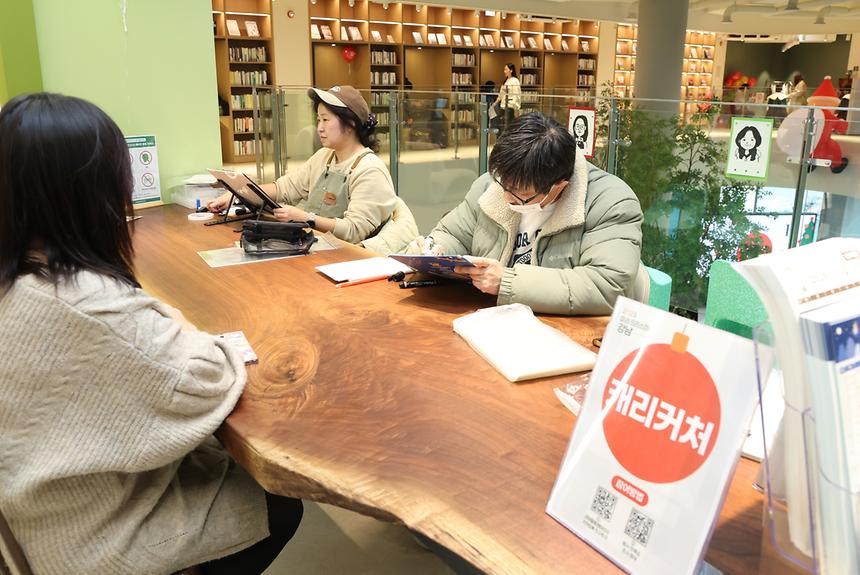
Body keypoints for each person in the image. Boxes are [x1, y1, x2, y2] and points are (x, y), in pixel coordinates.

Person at [0, 93, 302, 575]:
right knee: (279, 502)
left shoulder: (21, 279)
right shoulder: (84, 300)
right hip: (88, 538)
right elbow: (207, 377)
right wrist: (178, 322)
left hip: (35, 511)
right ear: (91, 191)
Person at [405, 112, 643, 316]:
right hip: (491, 319)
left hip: (565, 331)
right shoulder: (492, 187)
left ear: (559, 186)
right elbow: (454, 233)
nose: (508, 198)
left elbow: (606, 286)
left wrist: (507, 282)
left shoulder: (610, 202)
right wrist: (433, 249)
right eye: (504, 185)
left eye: (522, 194)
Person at [209, 85, 416, 254]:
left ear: (351, 123)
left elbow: (353, 231)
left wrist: (306, 218)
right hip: (317, 247)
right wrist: (238, 194)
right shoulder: (324, 156)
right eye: (318, 120)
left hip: (346, 258)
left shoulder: (369, 170)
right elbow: (284, 188)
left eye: (326, 120)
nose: (320, 127)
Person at [493, 63, 521, 133]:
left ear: (511, 70)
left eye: (506, 69)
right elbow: (501, 94)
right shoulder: (506, 80)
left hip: (510, 106)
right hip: (503, 106)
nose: (504, 71)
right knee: (502, 125)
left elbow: (516, 94)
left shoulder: (515, 81)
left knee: (508, 126)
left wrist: (515, 107)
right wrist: (495, 103)